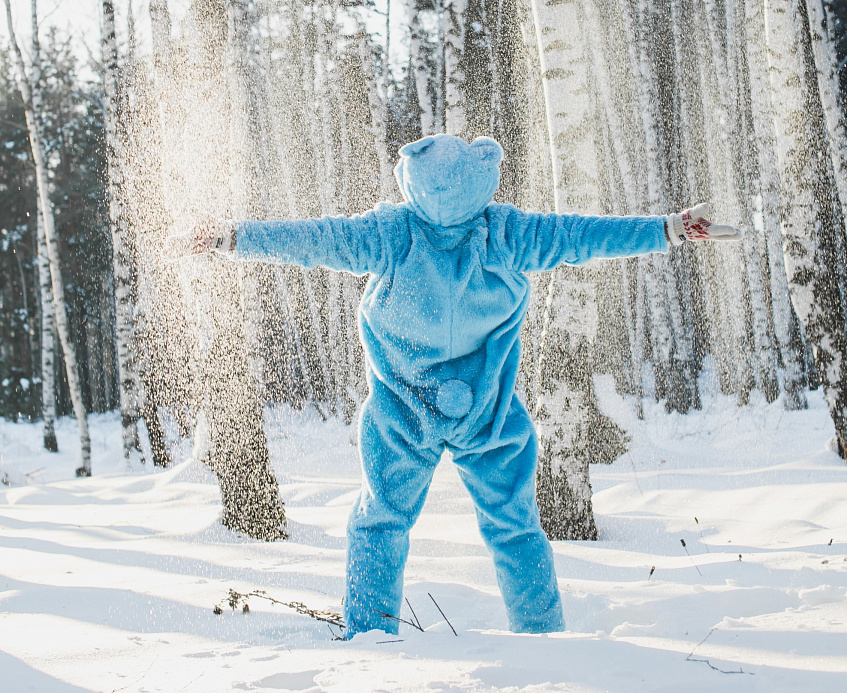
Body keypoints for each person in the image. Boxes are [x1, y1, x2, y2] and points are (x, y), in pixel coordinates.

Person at [181, 134, 740, 637]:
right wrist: (667, 228)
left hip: (403, 410)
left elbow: (314, 240)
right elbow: (583, 236)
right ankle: (545, 639)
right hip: (489, 415)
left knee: (380, 521)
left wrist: (234, 237)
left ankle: (370, 634)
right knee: (515, 529)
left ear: (411, 178)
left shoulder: (389, 233)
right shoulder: (508, 234)